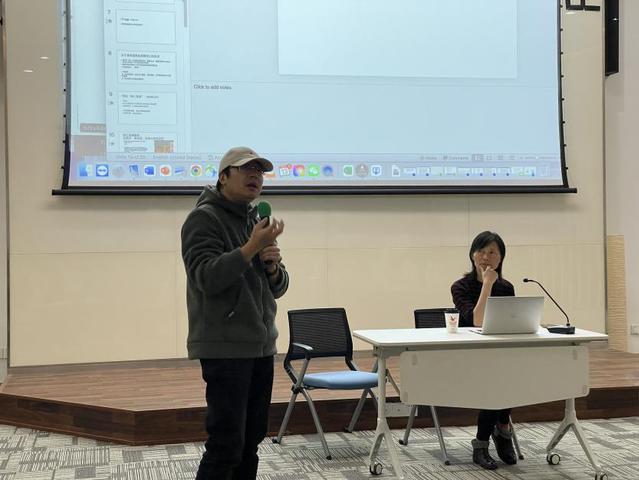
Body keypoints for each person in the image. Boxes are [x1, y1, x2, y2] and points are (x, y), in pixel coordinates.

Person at [181, 146, 289, 479]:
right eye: (246, 169)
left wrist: (272, 266)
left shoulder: (256, 220)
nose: (256, 176)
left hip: (260, 346)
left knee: (251, 441)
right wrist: (251, 247)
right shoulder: (204, 218)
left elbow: (278, 287)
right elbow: (206, 277)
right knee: (226, 444)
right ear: (224, 176)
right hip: (225, 347)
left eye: (260, 171)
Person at [450, 231, 517, 470]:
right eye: (481, 251)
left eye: (492, 252)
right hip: (470, 354)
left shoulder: (507, 287)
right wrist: (487, 283)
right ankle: (489, 439)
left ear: (501, 258)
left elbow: (510, 322)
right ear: (472, 254)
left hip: (498, 353)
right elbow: (477, 320)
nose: (486, 257)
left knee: (511, 374)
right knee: (497, 381)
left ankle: (500, 430)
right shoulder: (460, 287)